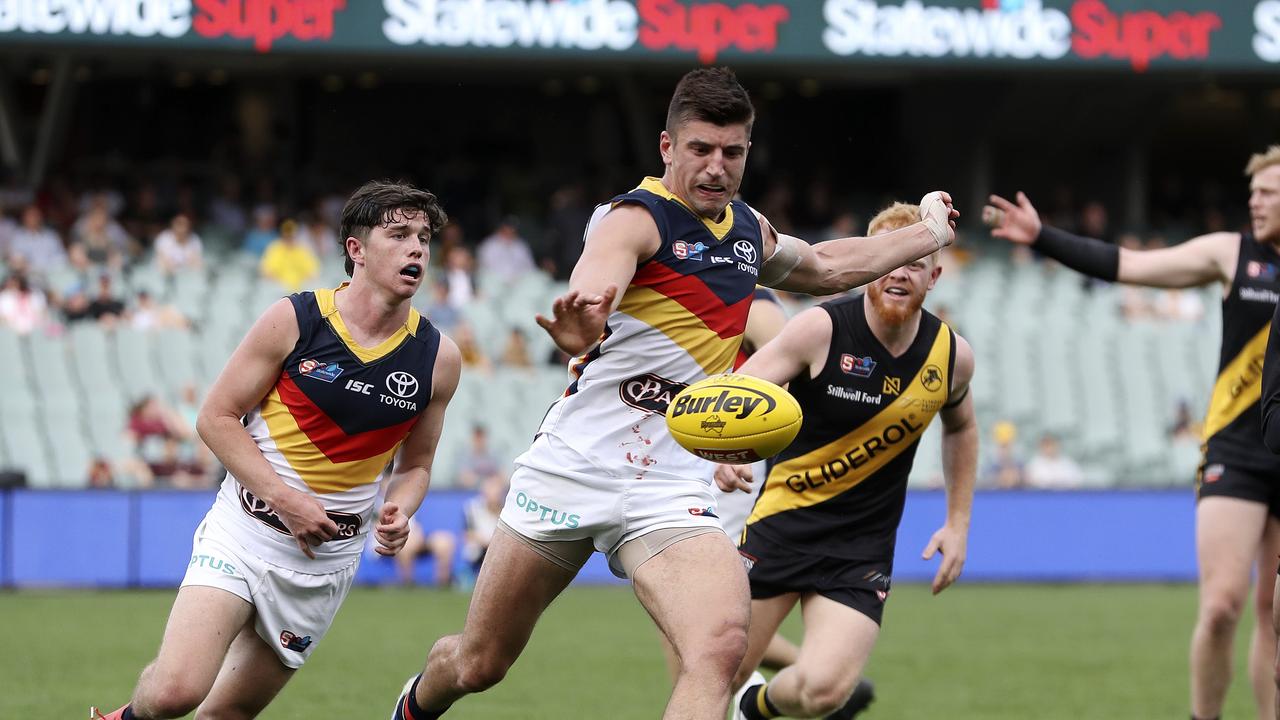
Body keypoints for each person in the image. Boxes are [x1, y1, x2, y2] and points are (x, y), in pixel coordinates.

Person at [389, 66, 957, 720]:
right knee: (481, 662)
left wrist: (930, 233)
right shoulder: (635, 218)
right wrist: (583, 323)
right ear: (667, 147)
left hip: (672, 480)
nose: (716, 166)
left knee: (719, 648)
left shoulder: (750, 232)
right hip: (578, 462)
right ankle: (414, 706)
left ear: (747, 152)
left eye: (732, 152)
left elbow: (828, 267)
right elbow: (595, 281)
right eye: (700, 150)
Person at [91, 180, 459, 720]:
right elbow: (215, 418)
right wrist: (286, 500)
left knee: (227, 713)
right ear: (355, 250)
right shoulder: (297, 319)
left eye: (424, 238)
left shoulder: (438, 357)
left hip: (326, 561)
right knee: (175, 693)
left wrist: (403, 505)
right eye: (399, 234)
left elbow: (418, 464)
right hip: (245, 528)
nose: (416, 248)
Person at [987, 145, 1280, 720]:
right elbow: (1129, 266)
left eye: (1269, 192)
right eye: (1253, 192)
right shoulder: (1231, 254)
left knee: (1273, 611)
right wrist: (1045, 237)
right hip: (1237, 453)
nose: (1256, 201)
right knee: (1223, 606)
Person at [721, 202, 977, 720]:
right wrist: (722, 449)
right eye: (889, 263)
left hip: (860, 551)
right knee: (710, 672)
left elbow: (962, 427)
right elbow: (740, 390)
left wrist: (958, 521)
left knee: (823, 692)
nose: (899, 274)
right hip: (778, 529)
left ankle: (757, 706)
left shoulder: (951, 357)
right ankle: (736, 693)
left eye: (915, 264)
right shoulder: (820, 330)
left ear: (935, 275)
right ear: (869, 267)